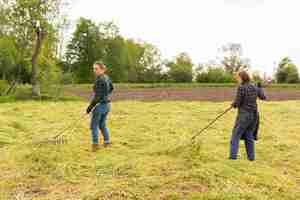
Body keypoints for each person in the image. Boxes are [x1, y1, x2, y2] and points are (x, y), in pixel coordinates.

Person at [229, 71, 266, 161]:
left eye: (238, 78)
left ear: (242, 78)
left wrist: (233, 104)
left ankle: (232, 158)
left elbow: (237, 103)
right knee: (249, 136)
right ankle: (251, 158)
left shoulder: (241, 87)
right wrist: (260, 88)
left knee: (235, 135)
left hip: (244, 116)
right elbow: (263, 97)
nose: (237, 80)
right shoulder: (254, 86)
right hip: (254, 116)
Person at [86, 61, 114, 152]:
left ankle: (95, 145)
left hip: (100, 106)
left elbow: (97, 97)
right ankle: (107, 142)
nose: (94, 70)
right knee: (102, 124)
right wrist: (106, 96)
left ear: (102, 69)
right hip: (107, 105)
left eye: (96, 68)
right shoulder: (107, 77)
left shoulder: (99, 80)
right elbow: (112, 88)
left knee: (94, 125)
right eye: (94, 68)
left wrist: (89, 107)